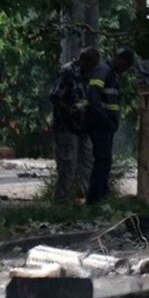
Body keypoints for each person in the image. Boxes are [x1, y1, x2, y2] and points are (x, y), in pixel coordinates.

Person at [49, 48, 100, 202]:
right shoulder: (68, 72)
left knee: (87, 164)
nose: (93, 67)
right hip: (66, 128)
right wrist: (70, 110)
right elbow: (55, 96)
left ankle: (87, 200)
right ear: (84, 60)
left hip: (83, 128)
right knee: (67, 166)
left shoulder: (90, 74)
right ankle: (61, 201)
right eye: (91, 64)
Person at [85, 48, 135, 205]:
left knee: (105, 161)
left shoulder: (111, 74)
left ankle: (102, 196)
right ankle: (95, 199)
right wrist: (104, 119)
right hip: (100, 125)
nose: (124, 71)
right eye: (125, 66)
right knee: (102, 160)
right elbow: (93, 95)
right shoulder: (103, 70)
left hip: (106, 125)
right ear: (119, 60)